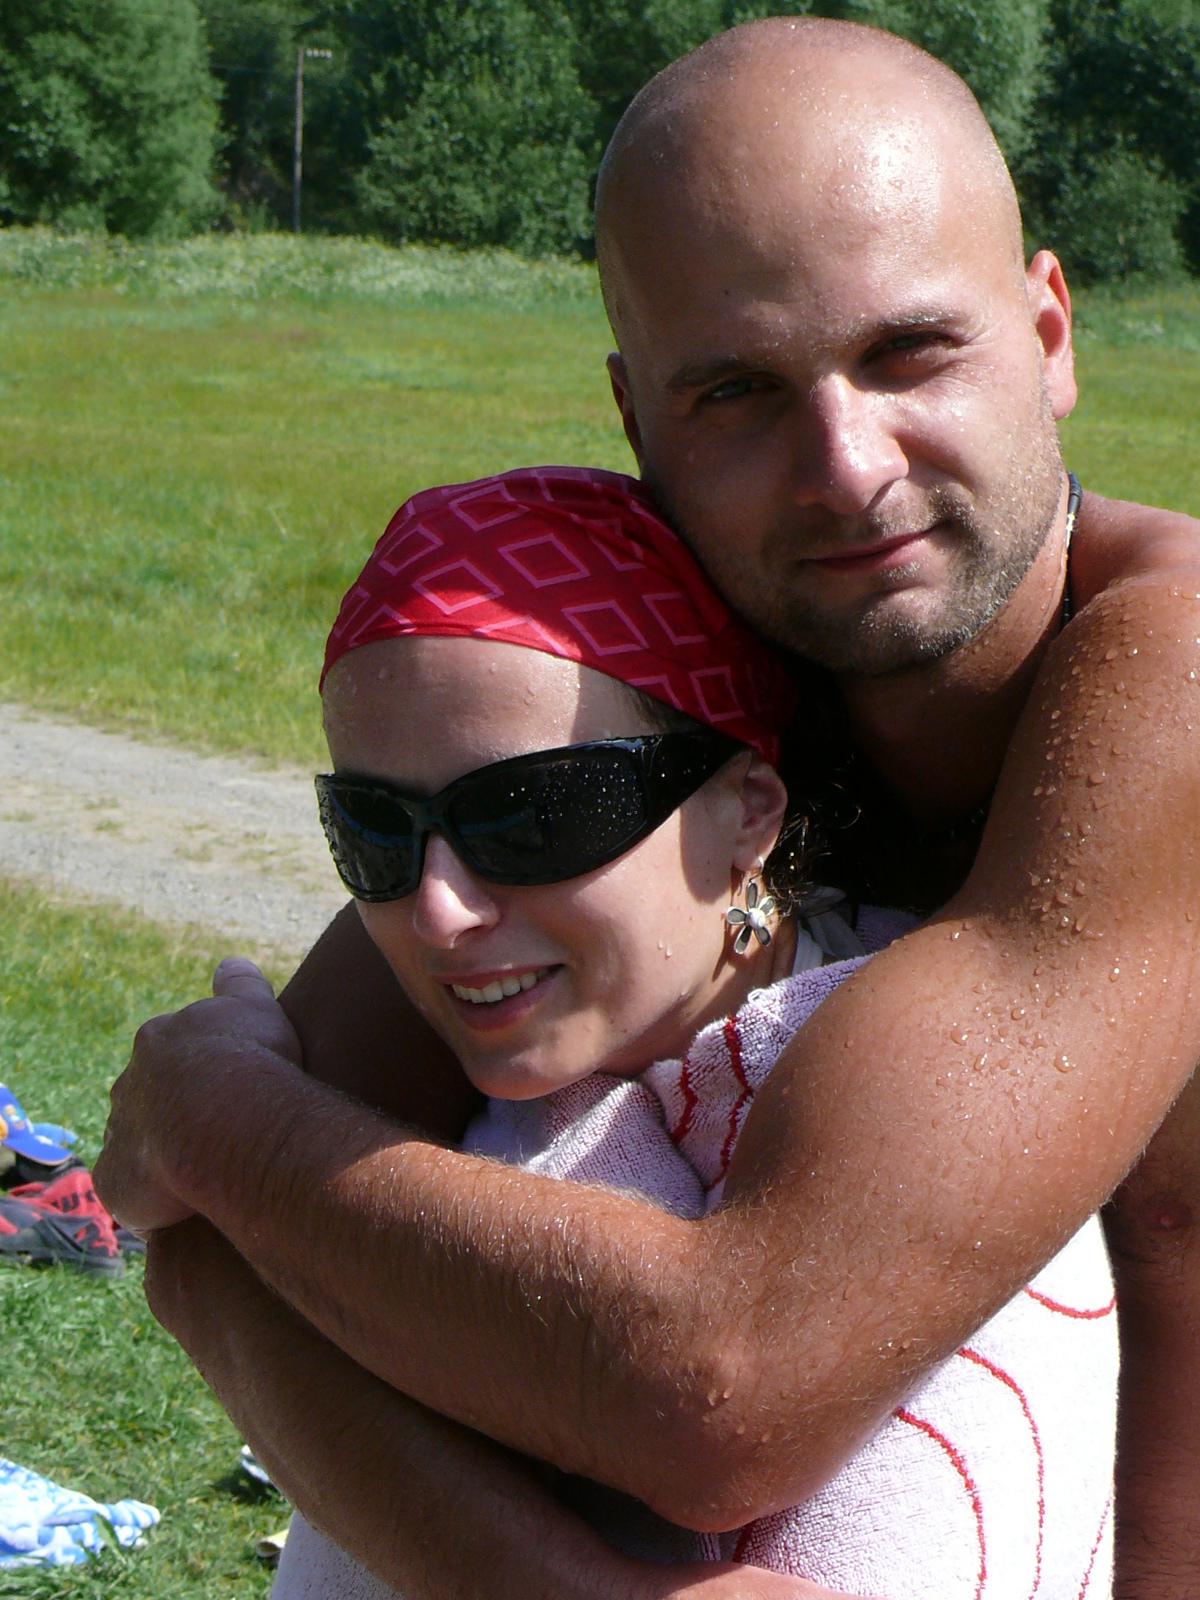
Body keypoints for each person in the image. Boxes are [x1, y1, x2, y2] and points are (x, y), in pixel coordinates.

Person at [94, 17, 1200, 1600]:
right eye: (738, 391)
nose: (846, 468)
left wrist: (222, 1133)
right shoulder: (696, 666)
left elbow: (724, 1387)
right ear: (635, 422)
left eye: (909, 353)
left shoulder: (1172, 671)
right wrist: (224, 1163)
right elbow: (208, 1235)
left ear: (1049, 333)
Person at [270, 465, 1117, 1597]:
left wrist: (220, 1125)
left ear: (747, 812)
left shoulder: (934, 1119)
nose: (437, 911)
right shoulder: (436, 1071)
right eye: (372, 828)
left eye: (534, 814)